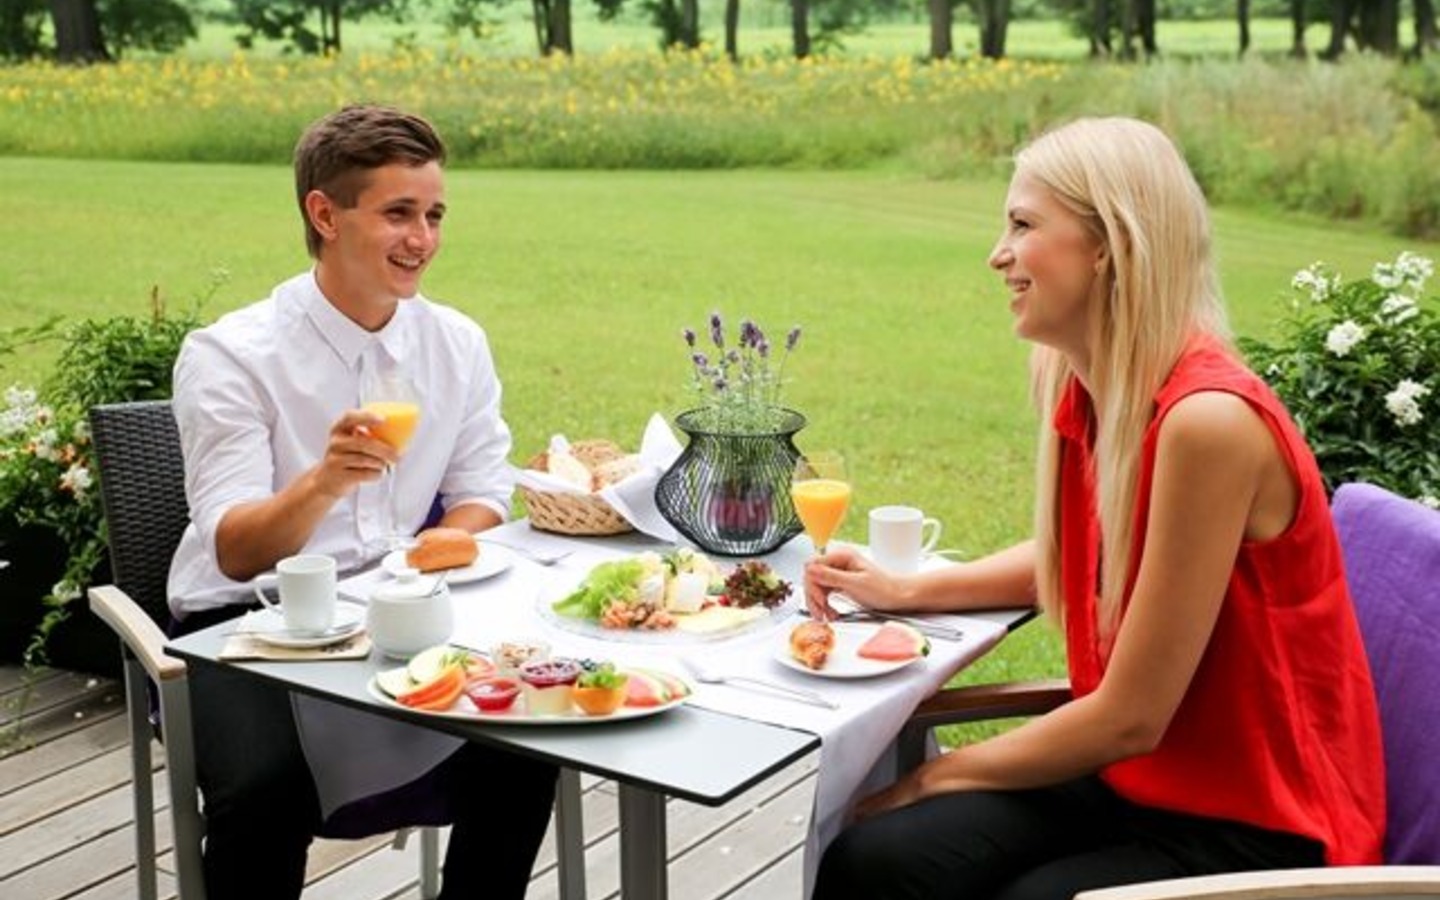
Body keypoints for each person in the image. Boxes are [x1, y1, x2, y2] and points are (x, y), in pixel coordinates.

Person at [804, 117, 1385, 900]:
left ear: (1109, 243)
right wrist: (906, 589)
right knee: (873, 860)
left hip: (1261, 818)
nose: (998, 254)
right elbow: (1080, 555)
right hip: (1134, 777)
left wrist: (936, 776)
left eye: (1023, 225)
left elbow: (1130, 716)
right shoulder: (1084, 383)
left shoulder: (1207, 422)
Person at [167, 104, 556, 900]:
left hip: (397, 606)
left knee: (528, 742)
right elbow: (235, 551)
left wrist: (429, 555)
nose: (423, 239)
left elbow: (484, 490)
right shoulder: (231, 355)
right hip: (242, 626)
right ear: (325, 215)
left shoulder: (455, 343)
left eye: (435, 215)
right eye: (398, 213)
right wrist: (325, 481)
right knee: (265, 789)